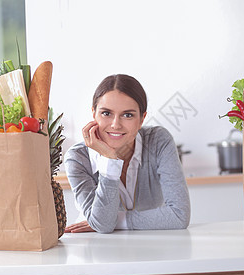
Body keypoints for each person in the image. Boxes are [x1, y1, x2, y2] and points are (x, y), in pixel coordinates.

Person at [64, 74, 190, 233]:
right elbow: (103, 226)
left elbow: (179, 216)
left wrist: (117, 220)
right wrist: (109, 159)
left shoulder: (158, 141)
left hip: (151, 245)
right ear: (94, 113)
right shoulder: (77, 158)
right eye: (106, 113)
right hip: (95, 245)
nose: (116, 124)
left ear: (142, 118)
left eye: (128, 115)